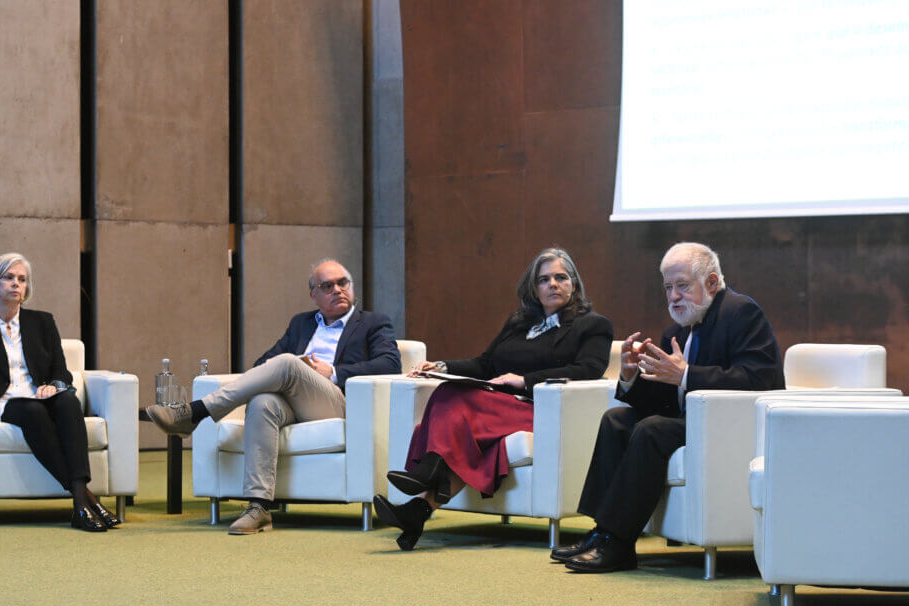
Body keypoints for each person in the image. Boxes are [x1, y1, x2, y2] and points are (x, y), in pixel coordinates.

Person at [554, 242, 784, 573]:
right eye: (667, 287)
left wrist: (687, 375)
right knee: (617, 420)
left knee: (652, 430)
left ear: (712, 283)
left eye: (682, 286)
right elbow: (665, 400)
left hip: (729, 427)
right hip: (692, 422)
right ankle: (601, 532)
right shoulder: (677, 329)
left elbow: (760, 378)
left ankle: (618, 543)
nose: (673, 297)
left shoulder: (741, 313)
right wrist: (630, 378)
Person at [372, 247, 613, 550]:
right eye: (544, 279)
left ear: (574, 284)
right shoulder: (519, 323)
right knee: (448, 395)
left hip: (543, 409)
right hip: (499, 408)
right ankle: (417, 512)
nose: (553, 284)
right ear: (533, 288)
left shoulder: (593, 325)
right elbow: (486, 364)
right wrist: (441, 367)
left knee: (453, 406)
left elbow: (588, 369)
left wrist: (524, 380)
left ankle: (427, 472)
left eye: (561, 278)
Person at [144, 259, 401, 535]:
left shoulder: (373, 323)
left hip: (338, 403)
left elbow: (390, 364)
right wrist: (295, 368)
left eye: (343, 283)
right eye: (327, 286)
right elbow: (263, 364)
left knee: (288, 363)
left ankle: (194, 413)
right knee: (262, 403)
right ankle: (259, 507)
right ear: (313, 294)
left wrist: (333, 372)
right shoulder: (301, 323)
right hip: (294, 403)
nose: (337, 290)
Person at [0, 253, 119, 532]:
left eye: (22, 279)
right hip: (3, 403)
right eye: (8, 278)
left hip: (40, 396)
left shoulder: (42, 322)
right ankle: (86, 499)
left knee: (68, 400)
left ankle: (80, 500)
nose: (16, 284)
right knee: (33, 411)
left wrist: (54, 385)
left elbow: (61, 371)